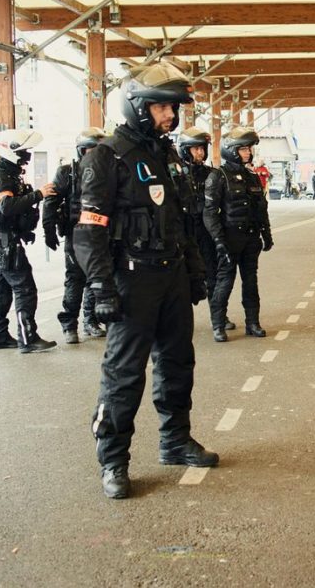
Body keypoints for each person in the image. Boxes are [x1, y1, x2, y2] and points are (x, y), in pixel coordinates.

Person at [74, 61, 216, 499]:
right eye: (160, 108)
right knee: (124, 374)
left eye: (172, 108)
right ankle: (113, 460)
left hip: (170, 276)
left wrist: (193, 272)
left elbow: (180, 220)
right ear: (137, 106)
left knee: (177, 364)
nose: (170, 116)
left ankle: (175, 440)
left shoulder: (166, 155)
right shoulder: (106, 156)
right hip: (131, 281)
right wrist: (100, 286)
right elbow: (89, 230)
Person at [0, 129, 57, 352]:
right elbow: (6, 207)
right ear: (10, 151)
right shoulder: (0, 177)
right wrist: (38, 195)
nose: (27, 155)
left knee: (1, 288)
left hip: (1, 242)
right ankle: (28, 338)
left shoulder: (6, 174)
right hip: (6, 245)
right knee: (24, 288)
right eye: (23, 151)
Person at [204, 126, 273, 343]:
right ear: (231, 150)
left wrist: (267, 234)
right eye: (243, 149)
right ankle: (218, 325)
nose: (248, 152)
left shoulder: (252, 176)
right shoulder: (218, 176)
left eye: (249, 149)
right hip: (229, 237)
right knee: (224, 281)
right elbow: (210, 213)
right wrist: (218, 240)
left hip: (251, 238)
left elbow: (261, 208)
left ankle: (252, 323)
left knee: (251, 282)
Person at [42, 127, 108, 344]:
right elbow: (51, 201)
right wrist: (48, 229)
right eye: (91, 150)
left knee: (94, 278)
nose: (95, 155)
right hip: (75, 234)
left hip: (100, 234)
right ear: (81, 150)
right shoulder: (66, 173)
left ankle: (91, 321)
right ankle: (69, 323)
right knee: (75, 280)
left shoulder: (107, 173)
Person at [176, 127, 237, 333]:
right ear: (185, 150)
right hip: (183, 232)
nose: (200, 152)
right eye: (195, 149)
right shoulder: (174, 175)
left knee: (212, 275)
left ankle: (218, 315)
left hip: (206, 231)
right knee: (181, 279)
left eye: (202, 148)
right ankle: (179, 323)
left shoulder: (212, 174)